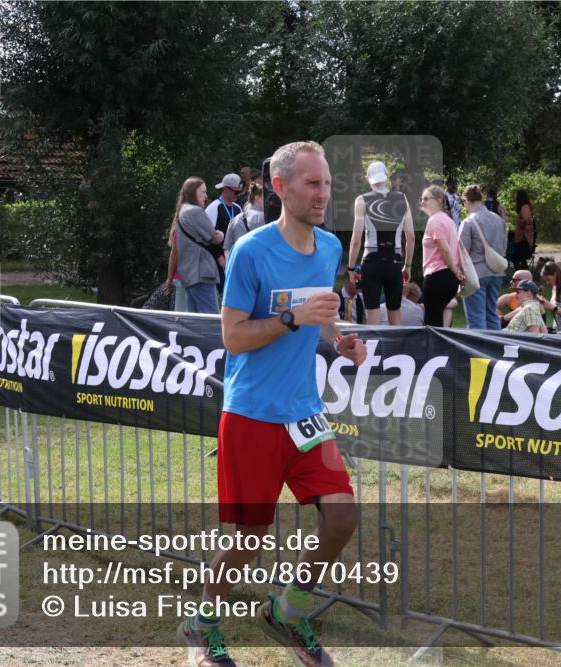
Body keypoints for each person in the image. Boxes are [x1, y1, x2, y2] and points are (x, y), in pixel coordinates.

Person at [180, 141, 366, 667]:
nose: (323, 194)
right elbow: (234, 337)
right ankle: (203, 622)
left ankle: (288, 610)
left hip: (304, 413)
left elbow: (321, 312)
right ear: (280, 187)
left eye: (327, 183)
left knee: (342, 516)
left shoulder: (329, 247)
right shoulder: (251, 251)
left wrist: (338, 339)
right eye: (312, 184)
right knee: (248, 541)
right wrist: (293, 318)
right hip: (251, 414)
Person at [347, 161, 416, 326]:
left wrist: (350, 268)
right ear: (386, 176)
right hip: (395, 261)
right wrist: (408, 266)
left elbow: (356, 239)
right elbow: (411, 236)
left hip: (371, 261)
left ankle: (374, 350)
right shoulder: (402, 198)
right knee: (395, 315)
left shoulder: (362, 200)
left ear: (367, 179)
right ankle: (396, 351)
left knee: (372, 316)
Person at [171, 177, 224, 314]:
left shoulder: (182, 211)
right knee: (211, 320)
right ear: (193, 192)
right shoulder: (195, 211)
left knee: (195, 323)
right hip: (202, 274)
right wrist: (221, 234)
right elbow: (215, 238)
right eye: (203, 192)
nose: (206, 196)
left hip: (189, 275)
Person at [459, 185, 507, 330]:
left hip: (476, 274)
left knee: (476, 318)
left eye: (464, 203)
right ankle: (495, 351)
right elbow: (503, 248)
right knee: (491, 315)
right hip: (496, 272)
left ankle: (479, 352)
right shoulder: (499, 220)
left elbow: (461, 251)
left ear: (468, 201)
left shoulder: (468, 222)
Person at [418, 185, 464, 327]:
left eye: (426, 198)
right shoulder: (449, 221)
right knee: (440, 321)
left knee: (431, 324)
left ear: (438, 200)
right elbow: (456, 249)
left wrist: (457, 271)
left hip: (437, 276)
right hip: (449, 278)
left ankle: (435, 349)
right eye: (421, 199)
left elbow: (444, 249)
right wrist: (457, 272)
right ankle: (443, 348)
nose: (422, 202)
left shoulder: (434, 220)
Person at [206, 173, 244, 293]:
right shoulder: (213, 208)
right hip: (218, 263)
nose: (238, 195)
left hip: (234, 261)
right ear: (226, 189)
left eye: (239, 192)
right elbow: (208, 238)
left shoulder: (238, 208)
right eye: (236, 192)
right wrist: (221, 259)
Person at [223, 183, 265, 260]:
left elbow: (227, 250)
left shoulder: (234, 220)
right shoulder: (263, 217)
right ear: (257, 198)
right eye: (265, 198)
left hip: (239, 266)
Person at [508, 189, 535, 271]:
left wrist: (520, 224)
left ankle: (522, 273)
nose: (515, 198)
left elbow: (527, 222)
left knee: (515, 256)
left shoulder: (525, 207)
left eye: (516, 196)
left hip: (524, 239)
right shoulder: (523, 207)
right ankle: (522, 273)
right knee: (517, 258)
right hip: (520, 239)